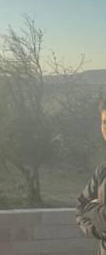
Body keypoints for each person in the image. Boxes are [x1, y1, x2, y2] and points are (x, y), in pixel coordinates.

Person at [77, 99, 106, 254]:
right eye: (105, 123)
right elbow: (81, 208)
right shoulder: (103, 170)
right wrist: (97, 230)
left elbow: (87, 209)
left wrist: (93, 209)